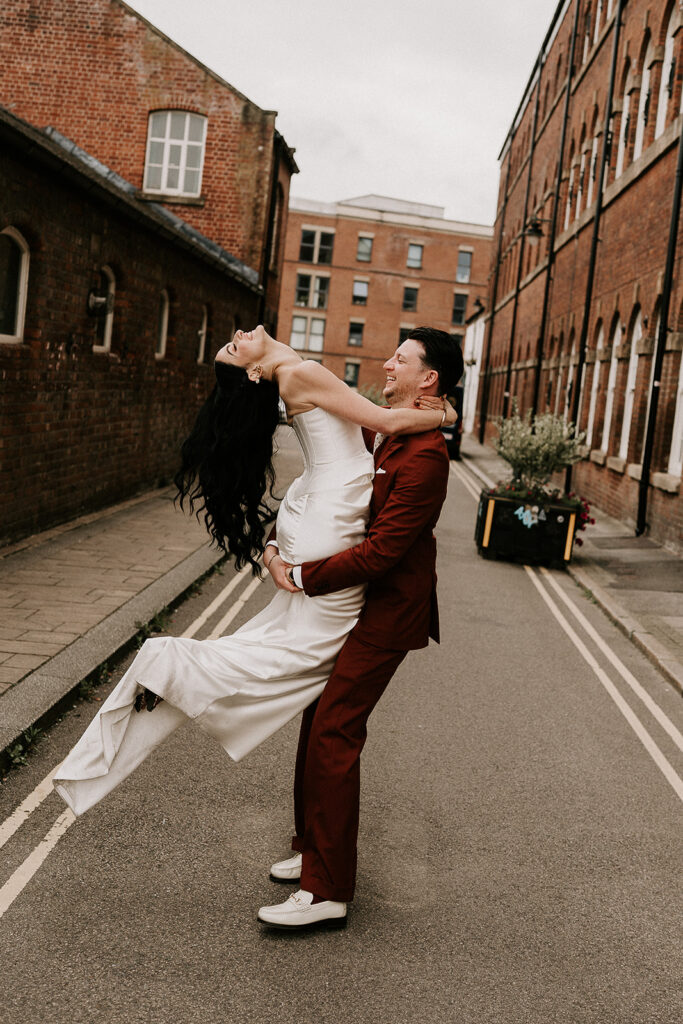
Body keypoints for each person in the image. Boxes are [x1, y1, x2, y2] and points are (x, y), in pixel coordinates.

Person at [53, 327, 454, 820]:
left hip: (312, 511)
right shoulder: (301, 372)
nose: (239, 335)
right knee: (290, 663)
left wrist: (274, 547)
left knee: (292, 664)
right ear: (253, 371)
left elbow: (377, 428)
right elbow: (384, 423)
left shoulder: (293, 374)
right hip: (329, 520)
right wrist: (442, 411)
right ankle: (176, 669)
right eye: (234, 348)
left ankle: (176, 679)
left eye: (231, 340)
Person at [255, 328, 463, 930]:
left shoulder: (427, 459)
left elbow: (380, 553)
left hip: (387, 613)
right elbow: (335, 481)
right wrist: (284, 535)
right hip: (351, 604)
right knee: (314, 718)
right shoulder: (387, 429)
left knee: (336, 730)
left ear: (429, 377)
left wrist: (298, 570)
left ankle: (327, 891)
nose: (388, 360)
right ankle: (311, 851)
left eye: (402, 357)